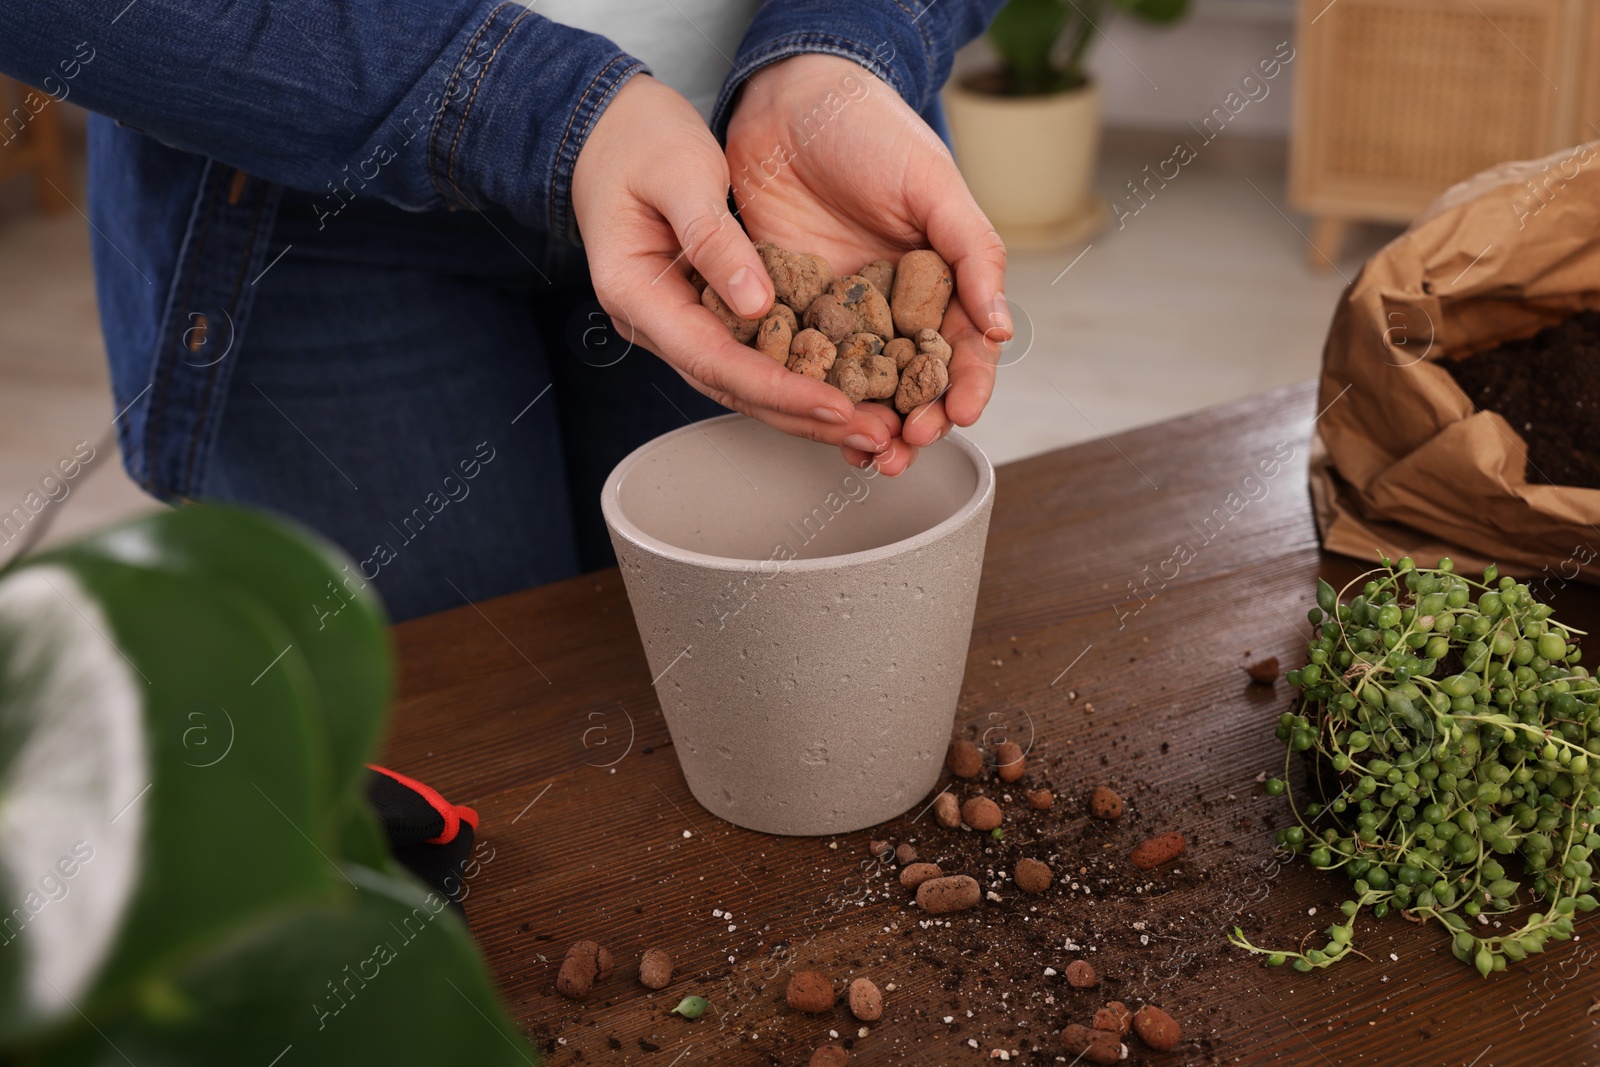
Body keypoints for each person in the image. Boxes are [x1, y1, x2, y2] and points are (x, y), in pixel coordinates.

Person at [1, 0, 1011, 621]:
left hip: (778, 184)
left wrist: (852, 40)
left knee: (757, 698)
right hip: (308, 192)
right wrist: (526, 101)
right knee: (458, 756)